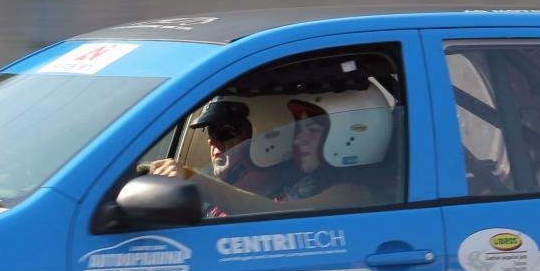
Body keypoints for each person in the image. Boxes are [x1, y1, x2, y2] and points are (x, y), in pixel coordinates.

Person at [149, 97, 374, 215]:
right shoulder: (292, 186)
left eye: (224, 132)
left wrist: (194, 180)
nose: (212, 142)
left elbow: (277, 218)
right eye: (298, 129)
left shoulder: (352, 194)